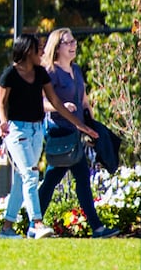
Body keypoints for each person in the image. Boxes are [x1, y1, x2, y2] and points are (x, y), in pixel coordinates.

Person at [0, 34, 96, 239]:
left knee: (22, 180)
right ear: (27, 51)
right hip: (17, 131)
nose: (42, 52)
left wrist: (81, 125)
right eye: (38, 48)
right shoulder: (10, 74)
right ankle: (36, 224)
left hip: (37, 130)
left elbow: (56, 103)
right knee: (31, 175)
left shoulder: (41, 73)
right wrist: (3, 122)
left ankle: (6, 229)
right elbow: (1, 105)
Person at [38, 28, 115, 237]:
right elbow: (41, 103)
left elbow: (84, 99)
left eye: (74, 41)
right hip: (60, 132)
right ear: (57, 46)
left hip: (77, 131)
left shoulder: (77, 70)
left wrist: (90, 119)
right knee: (61, 179)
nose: (73, 45)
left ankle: (32, 222)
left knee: (61, 180)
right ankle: (33, 222)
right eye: (68, 42)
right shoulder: (51, 72)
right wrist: (60, 106)